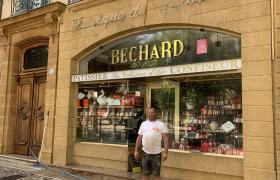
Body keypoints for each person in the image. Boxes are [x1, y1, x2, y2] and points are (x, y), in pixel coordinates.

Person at [134, 107, 168, 180]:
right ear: (147, 114)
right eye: (149, 113)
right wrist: (136, 150)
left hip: (156, 154)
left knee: (156, 175)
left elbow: (165, 138)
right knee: (145, 175)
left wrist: (165, 152)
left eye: (152, 113)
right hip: (145, 153)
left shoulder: (161, 124)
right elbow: (139, 138)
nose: (151, 114)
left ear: (156, 113)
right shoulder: (143, 124)